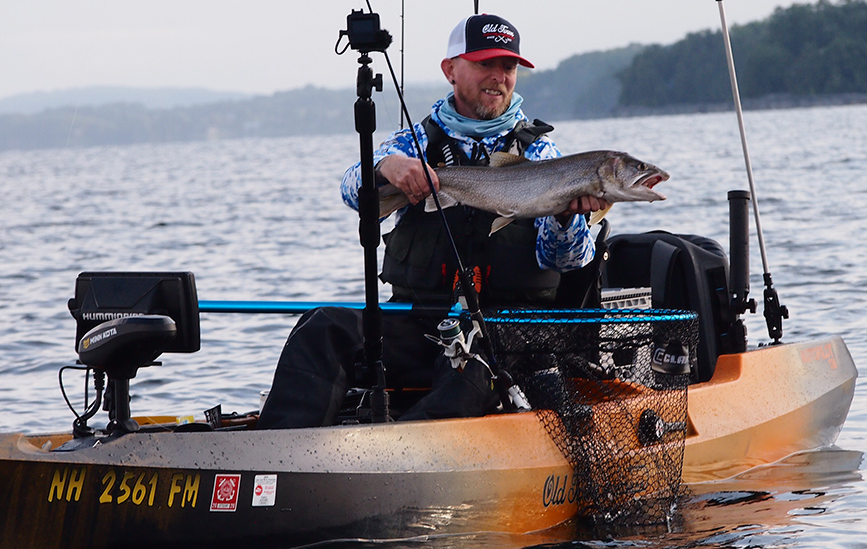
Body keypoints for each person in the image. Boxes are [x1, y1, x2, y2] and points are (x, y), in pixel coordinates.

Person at [257, 14, 608, 430]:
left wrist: (569, 219)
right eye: (485, 64)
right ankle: (277, 453)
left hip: (504, 334)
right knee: (323, 327)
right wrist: (386, 166)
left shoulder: (544, 153)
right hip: (420, 323)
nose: (498, 77)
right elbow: (352, 191)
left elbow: (567, 262)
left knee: (472, 370)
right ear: (450, 70)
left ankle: (389, 457)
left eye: (508, 67)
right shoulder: (414, 143)